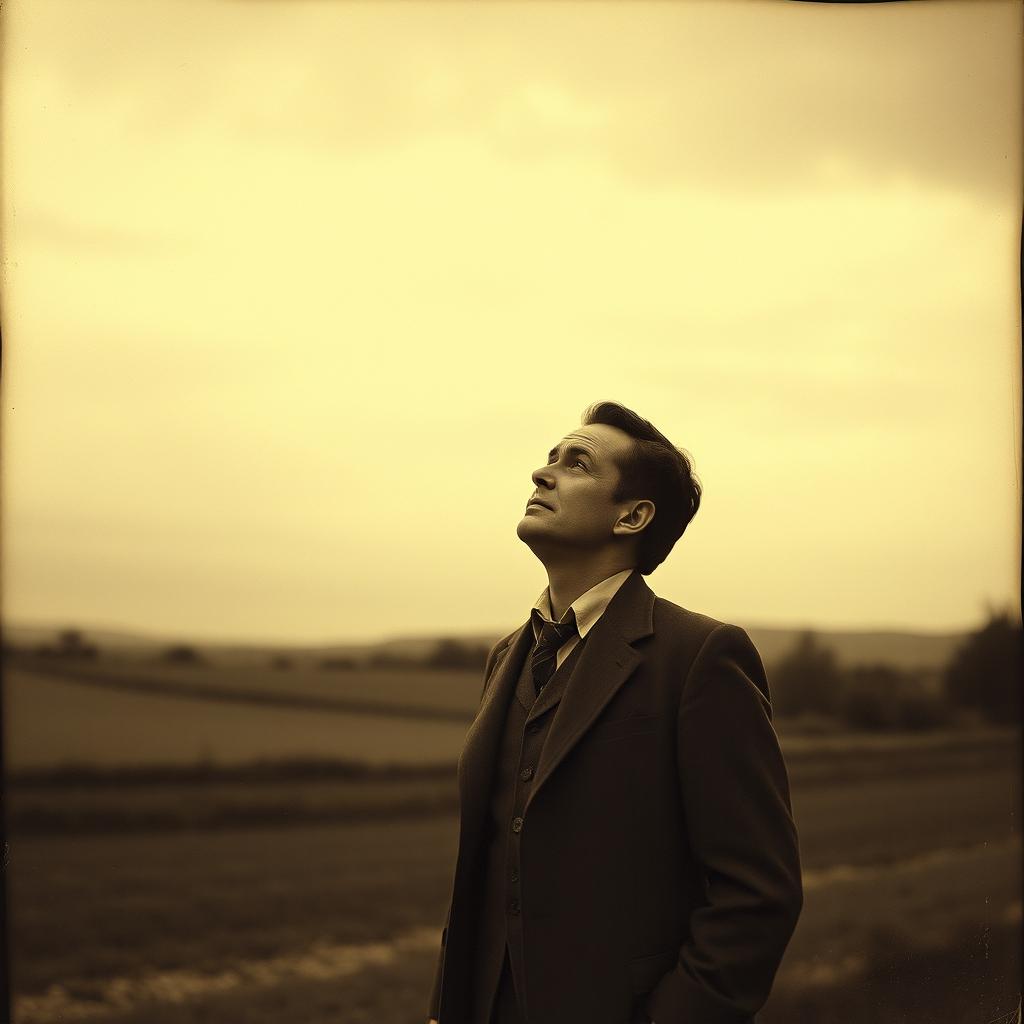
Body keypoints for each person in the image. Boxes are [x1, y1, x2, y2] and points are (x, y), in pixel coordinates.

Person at [427, 401, 802, 1024]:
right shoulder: (505, 659)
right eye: (549, 459)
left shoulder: (702, 656)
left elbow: (758, 895)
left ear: (632, 516)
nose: (541, 475)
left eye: (575, 464)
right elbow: (483, 864)